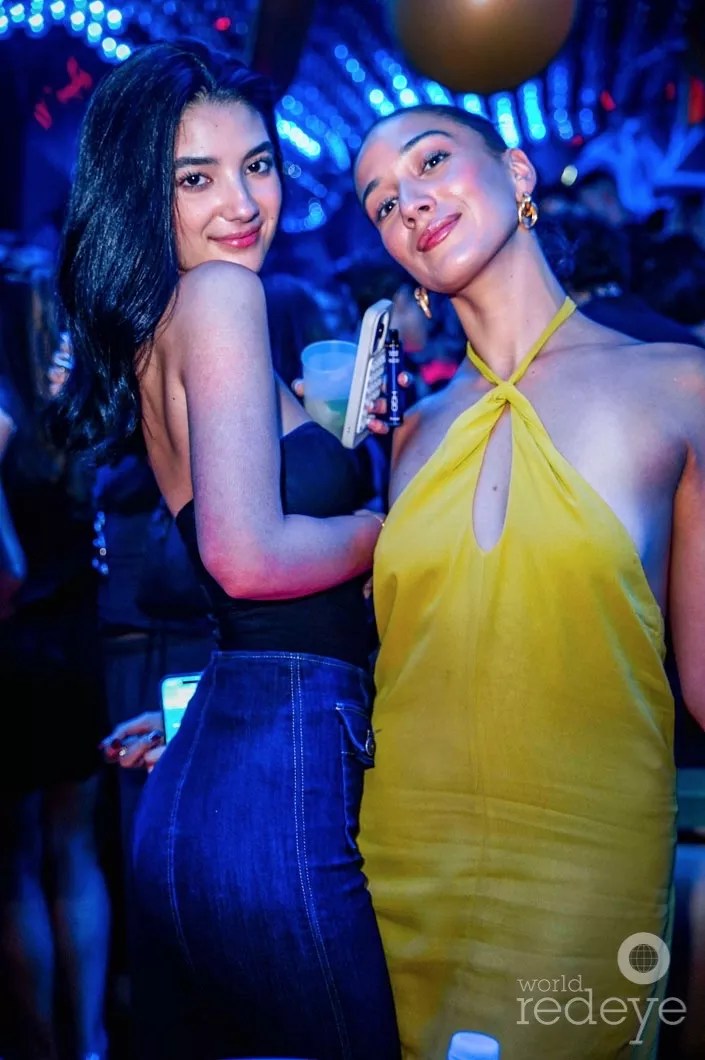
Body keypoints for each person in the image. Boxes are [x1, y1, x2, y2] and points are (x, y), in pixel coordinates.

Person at [51, 39, 399, 1060]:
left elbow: (246, 579)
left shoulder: (169, 316)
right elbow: (246, 561)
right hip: (278, 784)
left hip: (230, 765)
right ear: (143, 195)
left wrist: (349, 452)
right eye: (195, 178)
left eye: (257, 164)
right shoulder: (220, 298)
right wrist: (400, 524)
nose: (242, 203)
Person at [352, 104, 705, 1059]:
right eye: (381, 202)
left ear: (516, 175)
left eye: (431, 161)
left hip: (583, 865)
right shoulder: (409, 434)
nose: (408, 201)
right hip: (399, 864)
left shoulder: (678, 387)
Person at [0, 273, 111, 1060]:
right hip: (78, 646)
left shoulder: (3, 420)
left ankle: (41, 1045)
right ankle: (93, 1038)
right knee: (75, 850)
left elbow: (4, 570)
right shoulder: (77, 420)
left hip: (15, 650)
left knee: (15, 865)